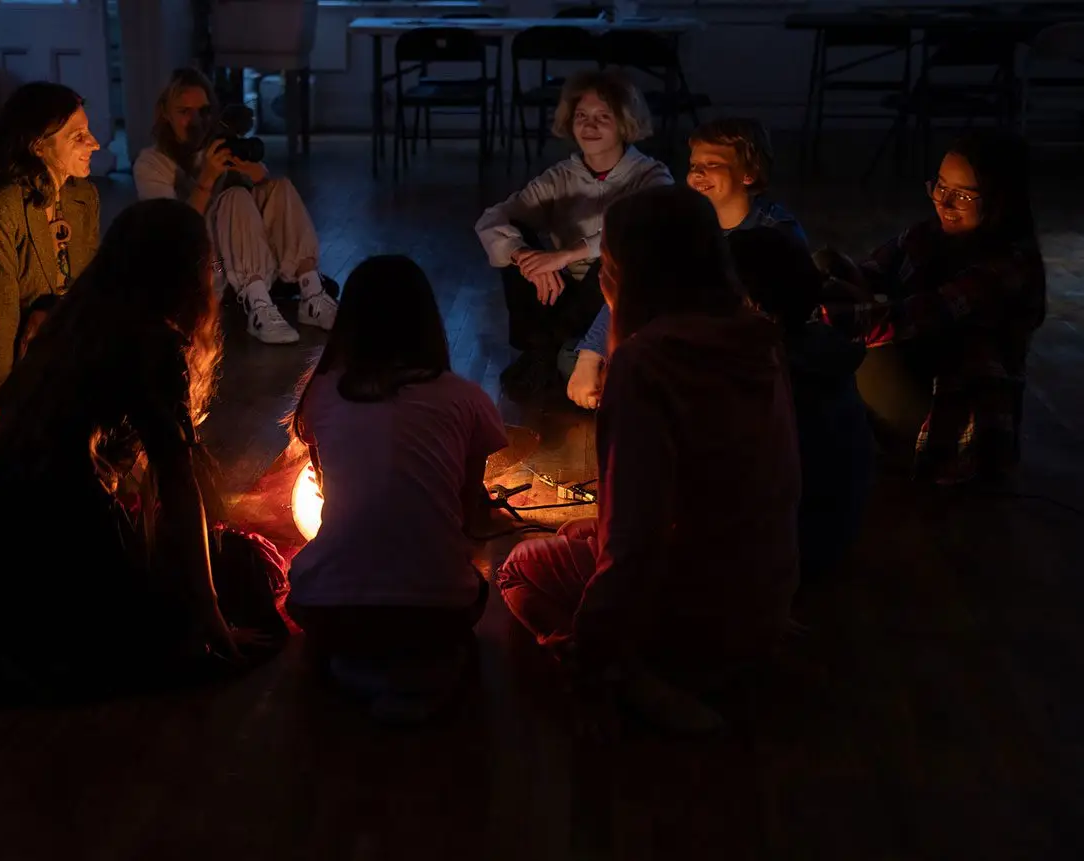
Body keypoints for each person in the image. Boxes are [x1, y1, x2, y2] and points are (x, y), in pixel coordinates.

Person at [0, 200, 289, 705]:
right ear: (184, 276)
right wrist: (208, 612)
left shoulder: (78, 317)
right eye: (208, 267)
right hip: (68, 536)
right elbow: (177, 479)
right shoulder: (153, 343)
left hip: (3, 519)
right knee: (240, 568)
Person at [494, 186, 802, 732]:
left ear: (627, 273)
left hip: (688, 608)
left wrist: (597, 639)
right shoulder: (757, 337)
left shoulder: (647, 362)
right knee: (573, 538)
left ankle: (622, 675)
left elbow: (634, 539)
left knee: (518, 566)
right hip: (765, 591)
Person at [285, 255, 509, 723]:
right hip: (438, 610)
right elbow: (470, 515)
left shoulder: (323, 394)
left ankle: (354, 671)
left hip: (328, 608)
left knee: (309, 593)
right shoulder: (467, 399)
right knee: (474, 598)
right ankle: (420, 676)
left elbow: (332, 494)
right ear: (429, 322)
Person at [816, 131, 1047, 485]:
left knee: (849, 347)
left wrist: (820, 309)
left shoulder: (1006, 266)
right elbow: (870, 271)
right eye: (940, 187)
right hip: (918, 369)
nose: (945, 202)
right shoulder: (928, 235)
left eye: (963, 195)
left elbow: (913, 316)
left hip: (953, 415)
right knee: (824, 263)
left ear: (1000, 200)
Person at [567, 117, 807, 409]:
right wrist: (590, 356)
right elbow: (631, 285)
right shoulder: (682, 225)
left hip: (739, 357)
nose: (698, 174)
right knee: (572, 357)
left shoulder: (774, 234)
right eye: (694, 166)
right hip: (678, 340)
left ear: (749, 173)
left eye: (713, 164)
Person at [474, 68, 673, 396]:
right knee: (515, 238)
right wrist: (525, 257)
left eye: (602, 116)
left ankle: (575, 356)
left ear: (624, 122)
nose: (589, 126)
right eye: (581, 115)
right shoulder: (561, 176)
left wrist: (566, 254)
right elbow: (492, 219)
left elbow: (649, 227)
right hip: (560, 294)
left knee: (621, 248)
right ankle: (541, 353)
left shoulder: (651, 175)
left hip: (612, 305)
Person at [134, 67, 336, 345]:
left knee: (279, 187)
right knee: (234, 197)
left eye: (203, 111)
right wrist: (206, 179)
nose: (196, 121)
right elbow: (172, 232)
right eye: (184, 111)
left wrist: (255, 176)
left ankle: (311, 291)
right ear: (165, 113)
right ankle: (258, 306)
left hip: (244, 254)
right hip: (201, 269)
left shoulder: (217, 145)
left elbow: (267, 201)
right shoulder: (150, 163)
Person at [729, 228, 873, 579]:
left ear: (753, 305)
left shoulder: (771, 373)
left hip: (781, 555)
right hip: (827, 541)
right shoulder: (820, 352)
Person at [0, 81, 102, 397]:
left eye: (88, 132)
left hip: (70, 351)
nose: (95, 144)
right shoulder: (3, 206)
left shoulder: (83, 197)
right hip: (22, 371)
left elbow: (89, 286)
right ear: (38, 146)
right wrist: (2, 401)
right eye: (78, 137)